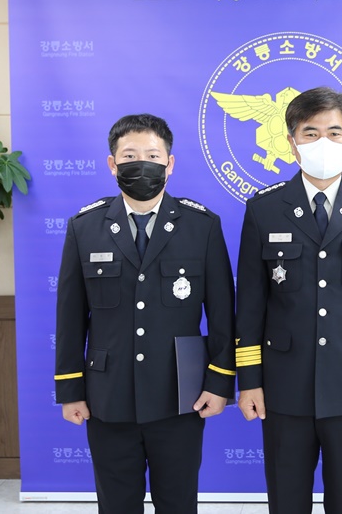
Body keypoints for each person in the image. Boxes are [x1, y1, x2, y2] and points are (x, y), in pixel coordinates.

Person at [235, 87, 342, 514]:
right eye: (310, 133)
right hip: (284, 388)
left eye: (334, 132)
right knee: (286, 503)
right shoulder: (263, 209)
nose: (323, 142)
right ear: (291, 142)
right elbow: (250, 306)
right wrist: (250, 381)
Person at [54, 113, 236, 514]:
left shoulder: (202, 226)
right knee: (116, 505)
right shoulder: (85, 227)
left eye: (152, 156)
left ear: (170, 164)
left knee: (178, 502)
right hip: (108, 397)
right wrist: (70, 390)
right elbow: (69, 318)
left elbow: (223, 314)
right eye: (130, 156)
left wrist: (220, 382)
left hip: (181, 395)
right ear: (112, 164)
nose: (142, 164)